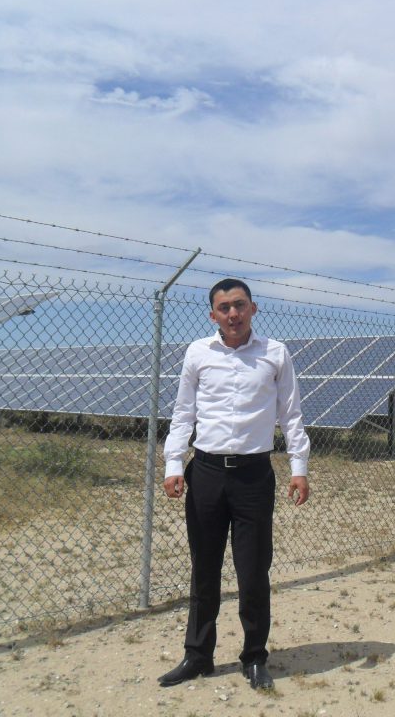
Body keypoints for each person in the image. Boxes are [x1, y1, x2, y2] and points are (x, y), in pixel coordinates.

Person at [158, 278, 310, 691]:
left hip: (253, 476)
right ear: (213, 315)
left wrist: (299, 467)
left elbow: (290, 414)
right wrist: (174, 463)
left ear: (253, 308)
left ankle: (255, 657)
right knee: (204, 568)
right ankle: (198, 656)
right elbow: (183, 413)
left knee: (253, 571)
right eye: (224, 308)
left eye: (240, 305)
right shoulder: (198, 353)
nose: (233, 314)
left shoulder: (275, 354)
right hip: (205, 473)